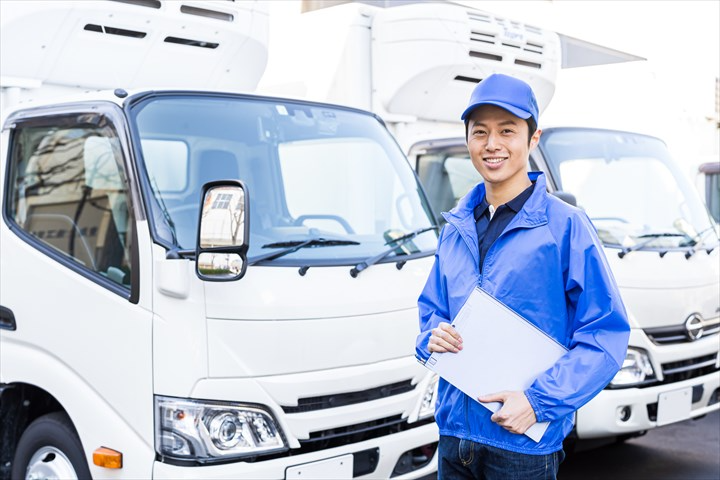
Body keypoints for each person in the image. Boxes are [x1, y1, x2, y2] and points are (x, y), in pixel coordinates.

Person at [416, 73, 630, 479]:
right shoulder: (456, 226)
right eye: (480, 132)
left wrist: (538, 402)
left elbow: (605, 336)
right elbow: (432, 311)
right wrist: (431, 337)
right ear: (467, 141)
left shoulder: (566, 226)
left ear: (532, 139)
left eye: (507, 131)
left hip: (521, 445)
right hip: (453, 435)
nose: (492, 144)